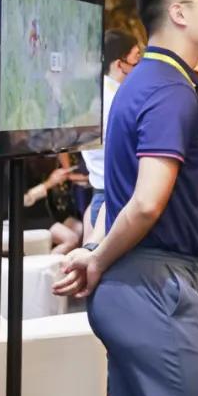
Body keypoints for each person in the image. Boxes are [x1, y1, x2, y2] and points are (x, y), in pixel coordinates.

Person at [54, 0, 198, 396]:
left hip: (131, 287)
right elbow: (147, 201)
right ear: (179, 13)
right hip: (156, 286)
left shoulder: (140, 81)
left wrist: (97, 254)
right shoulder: (171, 89)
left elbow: (120, 194)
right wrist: (97, 257)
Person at [80, 29, 141, 240]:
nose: (140, 66)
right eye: (136, 58)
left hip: (100, 193)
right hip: (116, 198)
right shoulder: (116, 100)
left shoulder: (93, 96)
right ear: (119, 64)